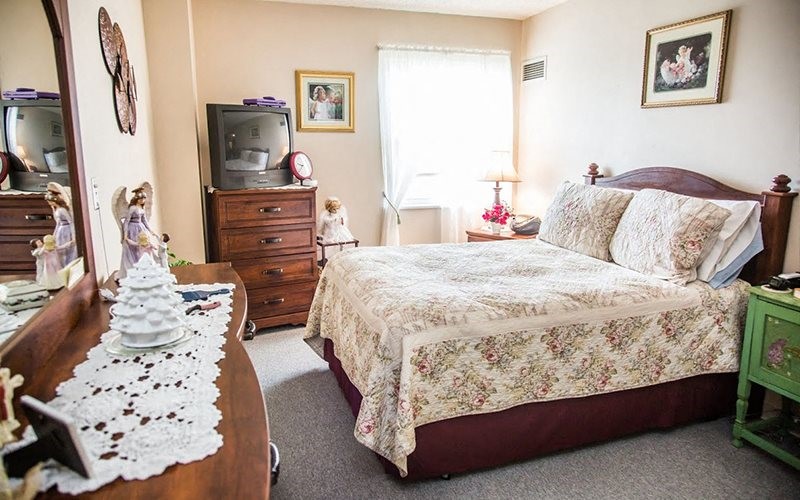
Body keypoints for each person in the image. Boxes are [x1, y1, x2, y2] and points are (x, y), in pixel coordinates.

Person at [119, 187, 159, 279]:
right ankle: (135, 268)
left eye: (144, 199)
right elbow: (127, 221)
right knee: (135, 248)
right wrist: (125, 234)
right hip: (133, 229)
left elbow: (144, 221)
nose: (143, 200)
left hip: (141, 228)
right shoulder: (132, 208)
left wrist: (150, 230)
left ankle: (143, 269)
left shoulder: (141, 208)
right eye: (142, 198)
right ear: (137, 199)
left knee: (143, 247)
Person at [44, 186, 77, 268]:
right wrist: (54, 235)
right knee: (59, 248)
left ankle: (68, 264)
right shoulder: (56, 210)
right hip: (60, 231)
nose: (49, 203)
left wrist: (73, 235)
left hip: (66, 230)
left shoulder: (62, 210)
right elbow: (58, 223)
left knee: (67, 249)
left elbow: (71, 222)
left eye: (49, 201)